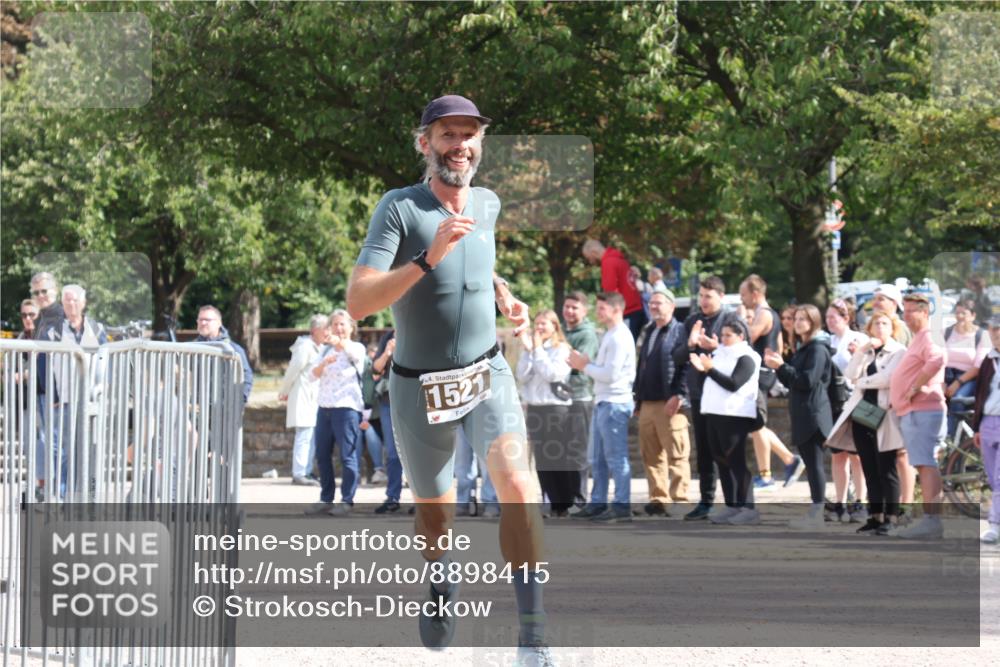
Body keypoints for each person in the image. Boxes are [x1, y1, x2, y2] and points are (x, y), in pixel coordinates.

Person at [346, 95, 549, 662]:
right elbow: (359, 301)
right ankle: (440, 580)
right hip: (417, 386)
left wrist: (502, 291)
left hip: (487, 372)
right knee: (437, 515)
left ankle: (532, 640)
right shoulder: (399, 208)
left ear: (480, 143)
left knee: (517, 486)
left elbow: (474, 261)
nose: (459, 144)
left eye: (469, 134)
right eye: (447, 134)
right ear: (424, 143)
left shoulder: (487, 203)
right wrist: (428, 258)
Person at [826, 311, 907, 536]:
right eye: (876, 323)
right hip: (862, 412)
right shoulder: (868, 352)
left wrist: (862, 382)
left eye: (884, 323)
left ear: (892, 328)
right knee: (869, 468)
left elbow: (887, 379)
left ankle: (891, 517)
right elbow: (850, 374)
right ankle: (875, 516)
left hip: (885, 413)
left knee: (886, 468)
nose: (880, 327)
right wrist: (861, 351)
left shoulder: (898, 352)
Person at [676, 276, 741, 521]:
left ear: (721, 297)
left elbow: (742, 356)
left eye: (709, 296)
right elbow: (677, 357)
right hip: (699, 395)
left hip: (724, 396)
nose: (703, 301)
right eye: (701, 296)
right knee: (704, 452)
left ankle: (735, 503)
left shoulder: (732, 320)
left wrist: (716, 347)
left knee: (726, 451)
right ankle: (706, 501)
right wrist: (691, 344)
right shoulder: (693, 320)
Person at [763, 304, 833, 530]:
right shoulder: (803, 347)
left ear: (813, 322)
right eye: (797, 318)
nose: (799, 322)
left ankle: (818, 512)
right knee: (812, 464)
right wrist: (779, 367)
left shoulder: (817, 349)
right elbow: (791, 380)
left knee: (814, 464)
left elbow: (807, 380)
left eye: (804, 319)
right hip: (803, 412)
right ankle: (815, 510)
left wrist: (782, 366)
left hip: (813, 413)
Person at [568, 292, 636, 523]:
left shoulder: (619, 337)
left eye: (602, 308)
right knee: (597, 458)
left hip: (615, 403)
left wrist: (584, 366)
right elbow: (605, 371)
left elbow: (611, 375)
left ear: (616, 309)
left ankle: (621, 505)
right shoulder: (611, 334)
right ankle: (597, 503)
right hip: (603, 402)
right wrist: (588, 365)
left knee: (616, 458)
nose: (598, 312)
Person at [689, 319, 762, 525]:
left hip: (734, 414)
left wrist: (709, 369)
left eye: (728, 335)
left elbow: (734, 384)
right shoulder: (720, 353)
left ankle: (748, 507)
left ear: (741, 336)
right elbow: (711, 381)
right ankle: (732, 504)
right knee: (721, 460)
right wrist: (703, 370)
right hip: (713, 412)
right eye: (722, 336)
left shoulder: (748, 357)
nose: (724, 339)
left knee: (736, 461)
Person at [39, 285, 109, 498]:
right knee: (64, 453)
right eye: (67, 300)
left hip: (90, 401)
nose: (71, 304)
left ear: (84, 303)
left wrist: (101, 390)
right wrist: (54, 395)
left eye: (75, 300)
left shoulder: (96, 329)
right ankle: (63, 497)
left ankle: (89, 496)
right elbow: (43, 363)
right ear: (62, 303)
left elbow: (105, 362)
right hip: (66, 401)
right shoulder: (52, 331)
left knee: (90, 451)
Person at [889, 293, 948, 539]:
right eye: (904, 310)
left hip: (923, 410)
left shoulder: (928, 337)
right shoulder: (919, 338)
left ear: (925, 312)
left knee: (926, 464)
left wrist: (915, 387)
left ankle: (931, 521)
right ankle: (930, 521)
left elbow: (937, 359)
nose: (905, 315)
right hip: (915, 410)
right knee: (923, 463)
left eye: (911, 310)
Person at [739, 275, 804, 491]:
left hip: (760, 374)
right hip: (765, 373)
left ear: (755, 294)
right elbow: (777, 345)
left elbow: (747, 337)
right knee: (756, 425)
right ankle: (787, 461)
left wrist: (742, 319)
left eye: (744, 295)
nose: (742, 299)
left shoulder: (763, 314)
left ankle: (768, 474)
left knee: (756, 425)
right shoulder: (772, 314)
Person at [633, 286, 690, 516]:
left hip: (670, 403)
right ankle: (658, 499)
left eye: (659, 303)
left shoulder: (680, 331)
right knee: (651, 455)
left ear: (672, 306)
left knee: (676, 454)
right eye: (651, 303)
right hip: (647, 402)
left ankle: (680, 500)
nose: (654, 306)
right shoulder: (649, 330)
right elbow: (643, 365)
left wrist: (679, 394)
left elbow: (686, 365)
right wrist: (638, 400)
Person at [305, 309, 366, 517]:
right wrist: (324, 363)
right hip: (324, 408)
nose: (339, 328)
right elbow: (312, 376)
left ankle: (347, 500)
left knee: (347, 456)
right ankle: (326, 499)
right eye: (335, 324)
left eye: (342, 324)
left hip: (347, 408)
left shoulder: (356, 347)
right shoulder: (325, 351)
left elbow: (355, 356)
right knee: (322, 455)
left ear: (351, 327)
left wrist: (338, 344)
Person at [517, 310, 576, 516]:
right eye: (537, 324)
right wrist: (528, 352)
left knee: (557, 456)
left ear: (554, 327)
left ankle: (565, 503)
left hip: (555, 408)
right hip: (535, 408)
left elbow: (553, 374)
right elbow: (522, 376)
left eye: (544, 324)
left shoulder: (562, 349)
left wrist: (538, 350)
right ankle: (549, 500)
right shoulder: (533, 349)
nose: (539, 328)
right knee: (541, 458)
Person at [871, 283, 917, 512]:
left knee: (902, 454)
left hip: (897, 399)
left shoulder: (903, 330)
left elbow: (908, 366)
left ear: (893, 303)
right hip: (876, 399)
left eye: (881, 298)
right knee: (880, 454)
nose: (876, 302)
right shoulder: (872, 328)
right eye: (875, 298)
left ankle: (906, 506)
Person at [826, 299, 869, 523]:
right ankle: (840, 503)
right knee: (837, 455)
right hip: (835, 403)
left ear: (846, 318)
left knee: (857, 456)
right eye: (827, 317)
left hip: (856, 400)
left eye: (834, 317)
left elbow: (867, 369)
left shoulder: (859, 339)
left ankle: (859, 502)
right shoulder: (829, 340)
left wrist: (857, 356)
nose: (829, 321)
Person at [277, 314, 329, 486]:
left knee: (311, 435)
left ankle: (306, 471)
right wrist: (284, 391)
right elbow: (293, 370)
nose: (328, 332)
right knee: (304, 435)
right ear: (315, 330)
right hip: (303, 396)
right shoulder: (305, 347)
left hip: (314, 399)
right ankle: (299, 473)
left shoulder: (320, 347)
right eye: (325, 328)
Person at [562, 291, 600, 505]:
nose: (569, 311)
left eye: (574, 307)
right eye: (567, 306)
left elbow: (579, 363)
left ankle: (579, 497)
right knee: (562, 449)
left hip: (580, 397)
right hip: (559, 398)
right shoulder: (562, 330)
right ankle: (565, 497)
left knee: (578, 449)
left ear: (585, 311)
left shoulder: (587, 334)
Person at [971, 316, 1000, 544]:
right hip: (988, 421)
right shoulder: (988, 361)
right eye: (994, 330)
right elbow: (980, 394)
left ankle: (994, 524)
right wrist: (977, 427)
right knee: (992, 477)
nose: (997, 334)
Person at [581, 238, 646, 340]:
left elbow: (609, 293)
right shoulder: (620, 260)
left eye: (589, 258)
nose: (590, 261)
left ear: (593, 252)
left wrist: (604, 314)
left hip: (626, 313)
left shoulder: (608, 263)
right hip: (636, 309)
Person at [943, 299, 990, 437]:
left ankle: (950, 438)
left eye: (963, 313)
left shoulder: (982, 335)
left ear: (973, 316)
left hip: (968, 377)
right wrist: (941, 383)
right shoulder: (946, 333)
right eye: (957, 313)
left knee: (958, 399)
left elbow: (978, 366)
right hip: (945, 375)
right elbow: (937, 359)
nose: (959, 316)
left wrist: (958, 383)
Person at [371, 329, 405, 514]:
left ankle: (423, 500)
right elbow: (375, 369)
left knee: (417, 455)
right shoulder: (388, 337)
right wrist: (387, 352)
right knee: (392, 453)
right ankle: (392, 497)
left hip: (415, 402)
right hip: (388, 402)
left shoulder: (420, 330)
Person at [193, 305, 254, 404]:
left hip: (224, 408)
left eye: (207, 320)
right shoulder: (190, 348)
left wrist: (240, 401)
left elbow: (246, 376)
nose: (203, 323)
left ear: (218, 323)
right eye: (200, 320)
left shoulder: (232, 349)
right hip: (196, 407)